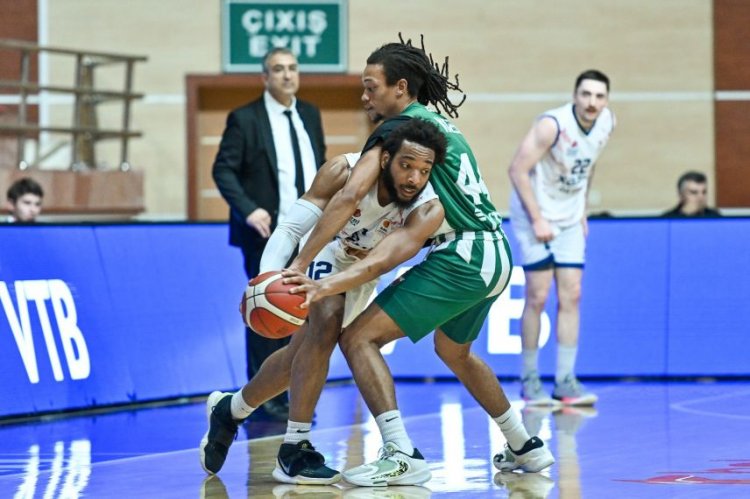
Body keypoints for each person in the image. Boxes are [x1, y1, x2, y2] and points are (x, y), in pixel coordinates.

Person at [282, 36, 555, 486]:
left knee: (357, 339)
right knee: (455, 352)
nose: (365, 97)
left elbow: (350, 195)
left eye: (372, 87)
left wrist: (303, 261)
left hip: (461, 253)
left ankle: (400, 451)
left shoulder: (400, 130)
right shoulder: (441, 126)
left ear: (401, 88)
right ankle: (523, 443)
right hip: (495, 252)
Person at [200, 118, 448, 485]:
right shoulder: (342, 171)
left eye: (423, 170)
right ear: (385, 161)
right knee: (326, 320)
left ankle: (231, 408)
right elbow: (290, 228)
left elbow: (379, 263)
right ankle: (294, 448)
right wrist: (269, 277)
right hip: (324, 250)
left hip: (363, 270)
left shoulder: (424, 207)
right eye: (406, 166)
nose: (414, 178)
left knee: (298, 357)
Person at [212, 47, 326, 421]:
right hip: (266, 230)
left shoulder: (310, 113)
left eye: (292, 68)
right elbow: (223, 170)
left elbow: (320, 168)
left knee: (302, 312)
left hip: (308, 233)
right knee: (266, 308)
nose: (287, 75)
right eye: (278, 69)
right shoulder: (245, 119)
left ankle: (295, 389)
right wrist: (249, 209)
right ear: (265, 77)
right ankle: (261, 395)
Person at [507, 70, 616, 407]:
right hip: (534, 214)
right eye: (586, 94)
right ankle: (530, 379)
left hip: (568, 217)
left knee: (572, 295)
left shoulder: (607, 123)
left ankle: (565, 381)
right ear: (574, 96)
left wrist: (581, 210)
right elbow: (517, 170)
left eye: (599, 96)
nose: (592, 102)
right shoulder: (551, 126)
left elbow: (589, 164)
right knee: (538, 297)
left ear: (606, 101)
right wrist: (538, 218)